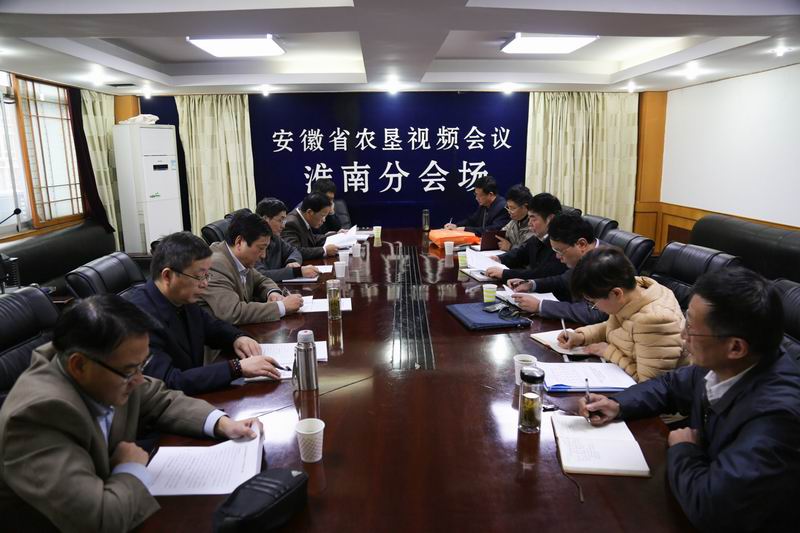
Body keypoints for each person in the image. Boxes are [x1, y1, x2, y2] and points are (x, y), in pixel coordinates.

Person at [0, 295, 263, 533]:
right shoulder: (37, 417)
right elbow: (100, 521)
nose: (138, 379)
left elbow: (159, 398)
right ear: (79, 365)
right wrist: (130, 467)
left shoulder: (105, 367)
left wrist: (221, 423)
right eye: (130, 370)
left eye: (142, 365)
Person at [580, 268, 800, 532]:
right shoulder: (727, 363)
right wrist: (618, 404)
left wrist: (684, 450)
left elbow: (712, 509)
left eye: (692, 329)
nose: (683, 336)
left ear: (735, 347)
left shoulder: (777, 418)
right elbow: (669, 385)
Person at [126, 232, 282, 395]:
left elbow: (211, 326)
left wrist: (237, 338)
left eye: (207, 275)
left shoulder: (181, 297)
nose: (205, 283)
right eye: (199, 276)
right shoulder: (138, 319)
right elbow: (169, 381)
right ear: (168, 275)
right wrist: (236, 368)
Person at [558, 247, 686, 381]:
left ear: (616, 293)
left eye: (593, 302)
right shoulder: (632, 293)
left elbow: (649, 384)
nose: (595, 307)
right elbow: (617, 327)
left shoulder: (655, 320)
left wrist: (608, 352)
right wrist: (581, 336)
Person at [198, 212, 304, 324]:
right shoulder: (214, 264)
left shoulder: (239, 258)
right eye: (261, 248)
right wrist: (282, 307)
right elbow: (233, 312)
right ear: (239, 242)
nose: (263, 255)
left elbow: (261, 280)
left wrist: (273, 293)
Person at [509, 213, 608, 325]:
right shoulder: (586, 255)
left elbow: (594, 313)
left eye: (560, 251)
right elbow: (563, 280)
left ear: (581, 244)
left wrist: (540, 306)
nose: (557, 256)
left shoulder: (606, 263)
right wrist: (531, 284)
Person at [485, 192, 566, 282]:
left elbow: (541, 274)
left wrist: (504, 274)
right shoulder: (538, 238)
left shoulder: (560, 243)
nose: (529, 223)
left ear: (550, 219)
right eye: (529, 218)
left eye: (533, 218)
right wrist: (498, 258)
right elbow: (520, 254)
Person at [255, 197, 320, 281]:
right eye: (280, 220)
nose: (283, 226)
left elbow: (294, 251)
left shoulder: (275, 238)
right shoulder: (253, 242)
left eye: (284, 221)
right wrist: (297, 272)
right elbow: (260, 275)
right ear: (265, 219)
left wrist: (292, 261)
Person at [443, 176, 510, 235]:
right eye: (475, 194)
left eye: (479, 195)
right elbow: (472, 220)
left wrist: (465, 229)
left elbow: (492, 230)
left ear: (490, 194)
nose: (476, 198)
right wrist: (456, 226)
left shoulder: (503, 208)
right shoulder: (484, 205)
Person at [283, 192, 340, 260]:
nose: (324, 220)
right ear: (310, 212)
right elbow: (294, 251)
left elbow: (312, 239)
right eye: (322, 216)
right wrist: (324, 250)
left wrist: (337, 235)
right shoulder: (291, 223)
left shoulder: (302, 217)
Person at [495, 184, 533, 251]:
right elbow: (502, 233)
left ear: (525, 206)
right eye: (508, 207)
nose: (509, 211)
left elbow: (529, 251)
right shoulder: (515, 220)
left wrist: (510, 247)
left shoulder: (533, 224)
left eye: (513, 208)